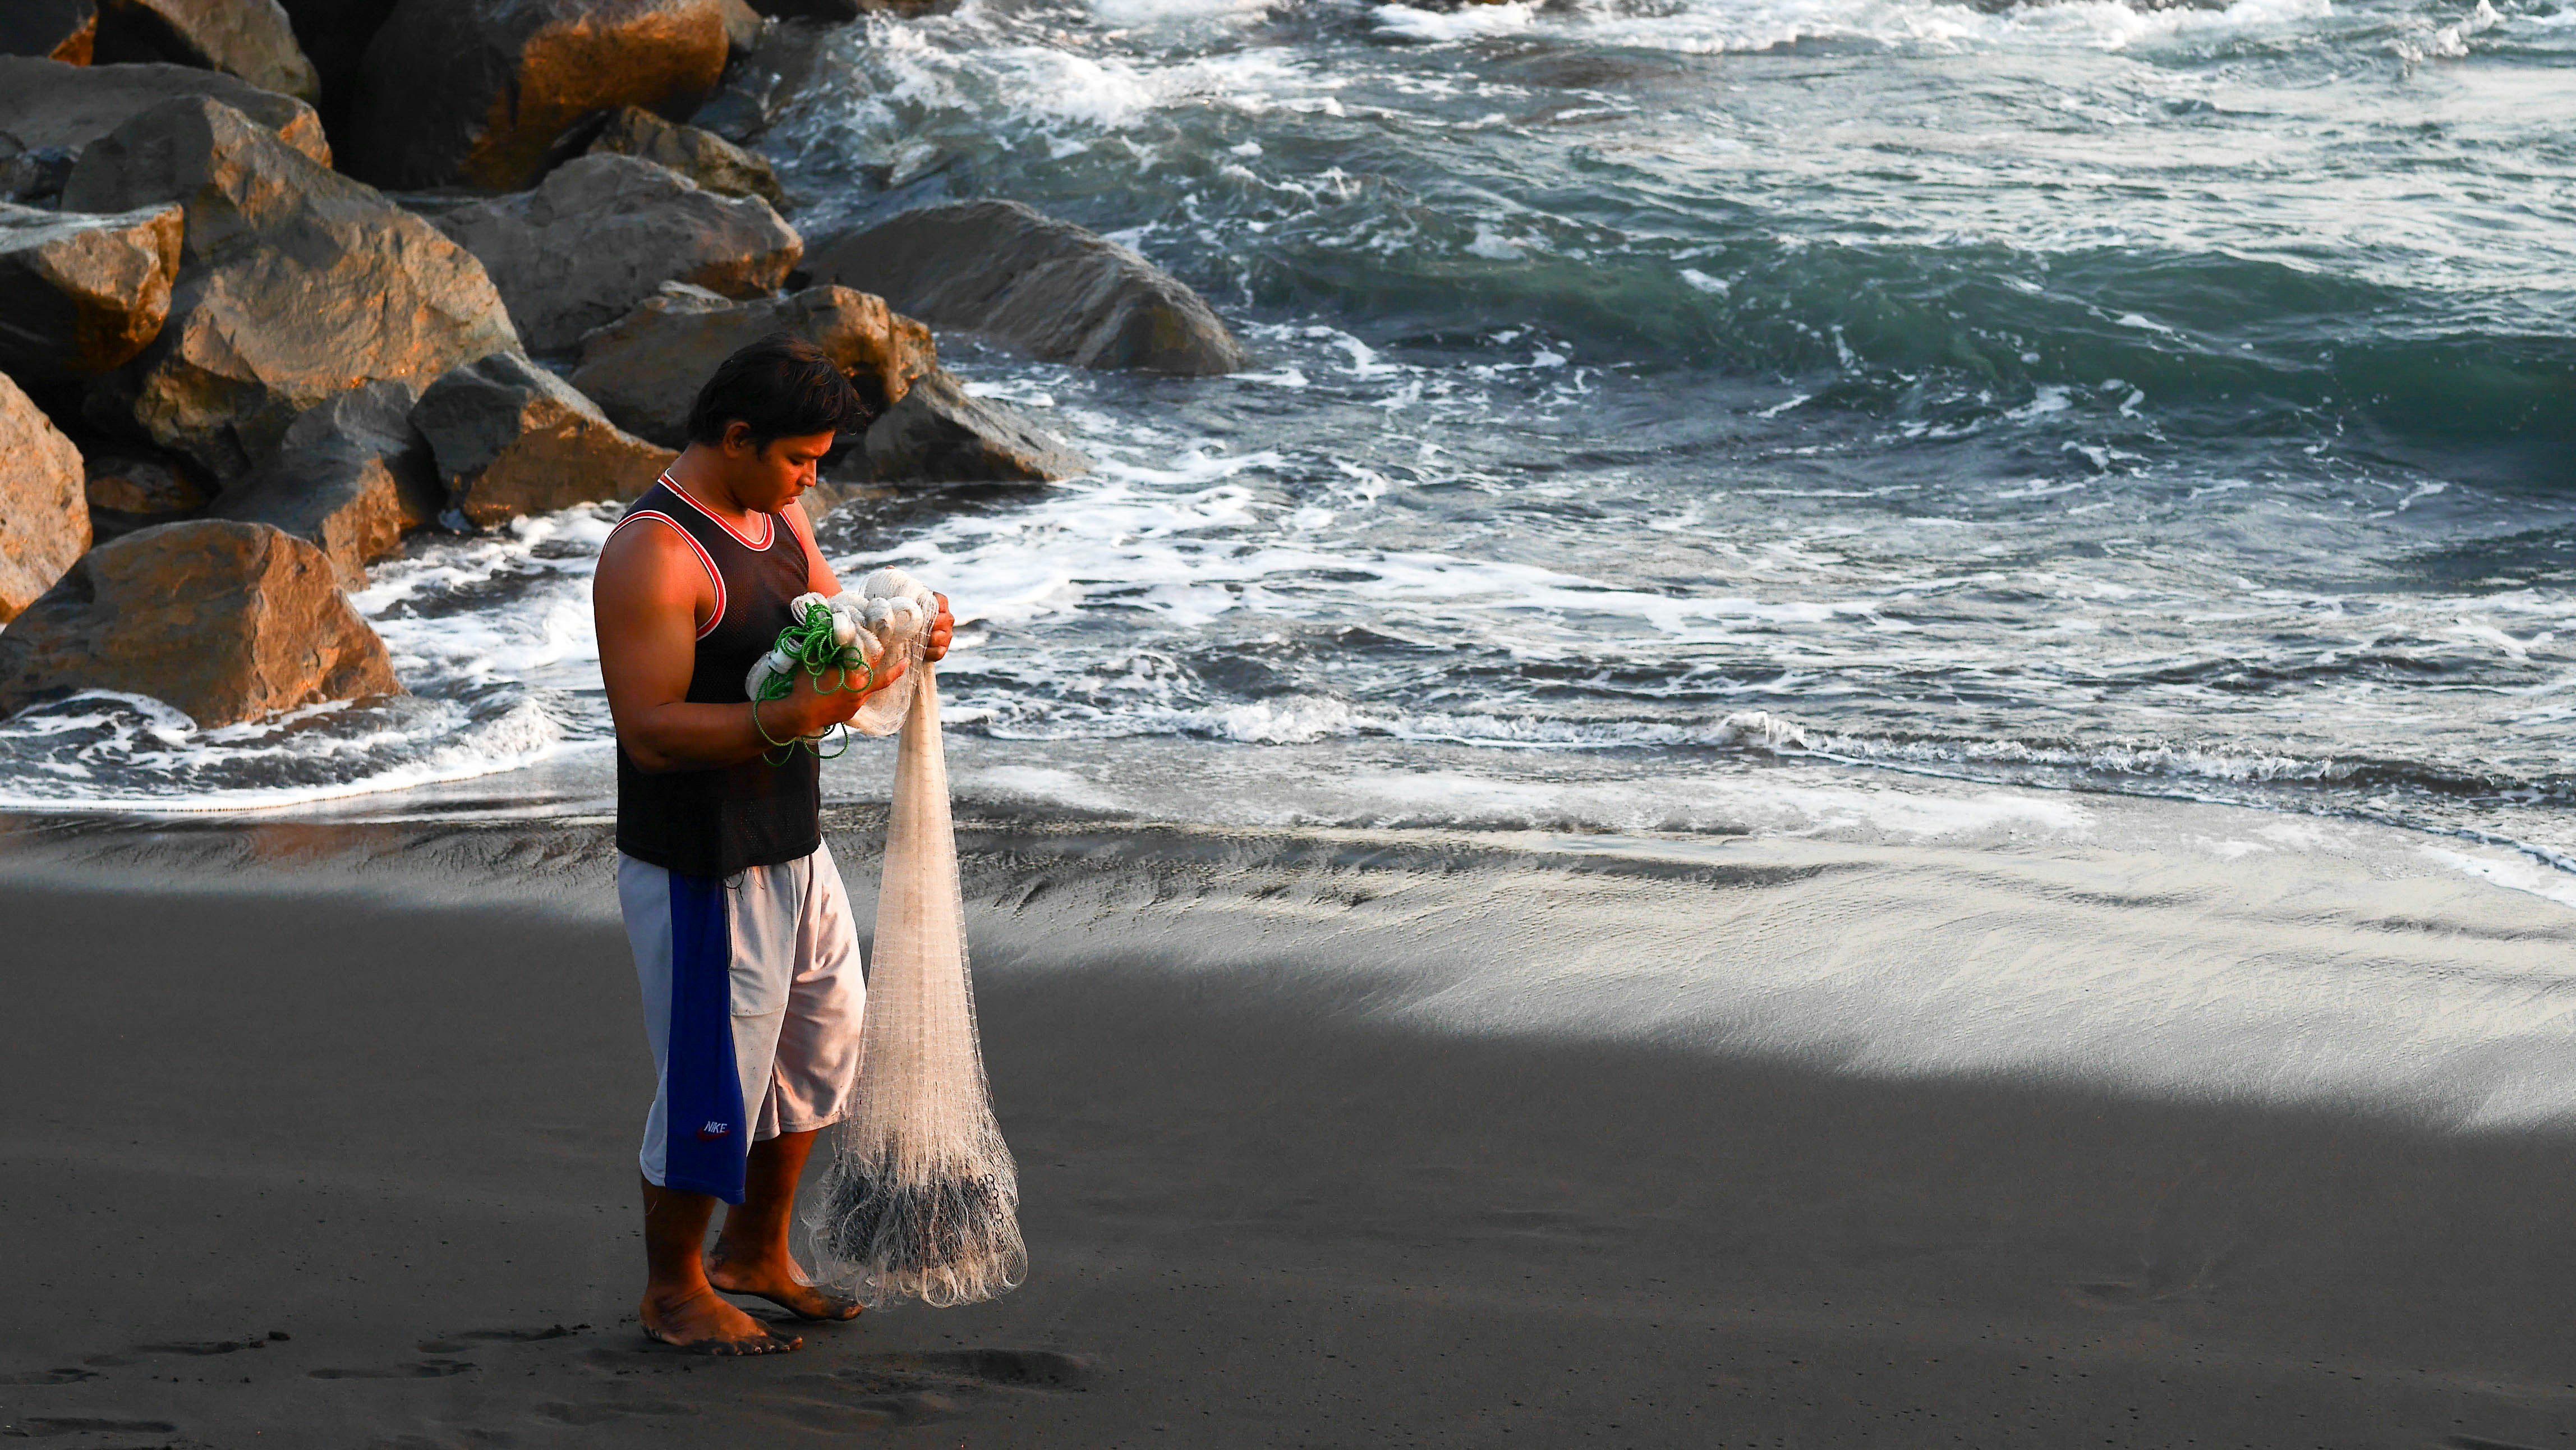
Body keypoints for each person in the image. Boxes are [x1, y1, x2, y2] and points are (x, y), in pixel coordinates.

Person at [591, 334, 953, 1355]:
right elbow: (651, 730)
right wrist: (782, 722)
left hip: (791, 841)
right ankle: (674, 1290)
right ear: (737, 436)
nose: (811, 480)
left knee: (820, 1047)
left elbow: (832, 625)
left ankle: (755, 1256)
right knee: (716, 1077)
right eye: (800, 459)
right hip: (700, 862)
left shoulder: (777, 511)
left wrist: (906, 638)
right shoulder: (655, 551)